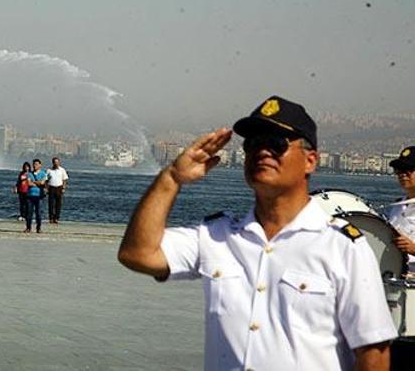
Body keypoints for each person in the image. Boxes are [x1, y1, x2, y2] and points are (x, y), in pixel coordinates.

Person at [118, 96, 396, 370]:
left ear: (310, 161)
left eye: (276, 144)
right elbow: (138, 254)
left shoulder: (342, 246)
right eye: (253, 144)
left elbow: (373, 354)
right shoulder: (218, 237)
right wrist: (171, 179)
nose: (263, 152)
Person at [387, 145, 415, 275]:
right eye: (399, 170)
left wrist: (413, 249)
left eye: (408, 170)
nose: (403, 175)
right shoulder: (397, 206)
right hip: (395, 275)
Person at [25, 158, 47, 233]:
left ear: (40, 165)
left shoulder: (43, 173)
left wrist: (34, 182)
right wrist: (38, 183)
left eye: (36, 164)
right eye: (34, 164)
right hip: (30, 195)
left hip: (39, 196)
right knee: (29, 213)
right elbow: (29, 184)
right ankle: (28, 228)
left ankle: (38, 228)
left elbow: (43, 183)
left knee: (39, 213)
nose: (35, 166)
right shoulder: (29, 173)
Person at [46, 157, 69, 224]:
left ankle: (56, 218)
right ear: (52, 163)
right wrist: (46, 188)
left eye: (57, 162)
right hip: (51, 188)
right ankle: (51, 218)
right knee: (51, 204)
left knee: (58, 204)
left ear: (59, 162)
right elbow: (46, 180)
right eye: (54, 162)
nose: (56, 164)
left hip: (59, 188)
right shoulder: (49, 170)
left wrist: (64, 188)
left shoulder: (62, 170)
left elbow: (64, 180)